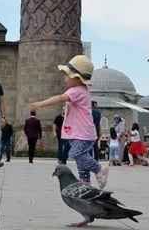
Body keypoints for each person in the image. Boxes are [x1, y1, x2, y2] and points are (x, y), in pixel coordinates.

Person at [29, 54, 109, 188]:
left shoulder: (76, 90)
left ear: (76, 78)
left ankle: (99, 169)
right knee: (80, 159)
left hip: (82, 134)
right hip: (81, 133)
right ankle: (85, 183)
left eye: (67, 75)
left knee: (76, 155)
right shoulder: (81, 90)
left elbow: (60, 98)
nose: (65, 78)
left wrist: (40, 104)